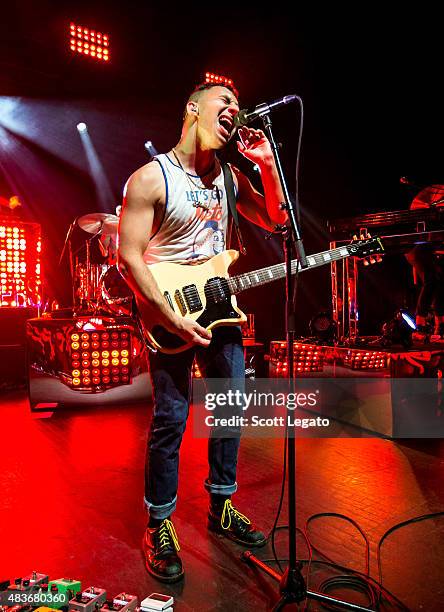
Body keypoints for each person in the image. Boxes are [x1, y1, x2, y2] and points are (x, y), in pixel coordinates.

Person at [118, 82, 287, 582]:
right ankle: (159, 523)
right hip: (169, 312)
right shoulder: (151, 178)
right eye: (224, 103)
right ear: (192, 109)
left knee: (231, 408)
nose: (234, 111)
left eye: (237, 106)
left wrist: (267, 165)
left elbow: (277, 219)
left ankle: (220, 506)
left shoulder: (232, 179)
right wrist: (171, 318)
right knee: (171, 417)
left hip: (221, 307)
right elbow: (129, 256)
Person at [405, 185, 444, 341]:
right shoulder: (426, 215)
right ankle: (420, 325)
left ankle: (439, 326)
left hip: (425, 250)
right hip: (416, 249)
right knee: (431, 281)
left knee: (439, 283)